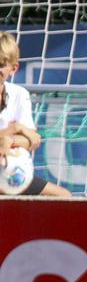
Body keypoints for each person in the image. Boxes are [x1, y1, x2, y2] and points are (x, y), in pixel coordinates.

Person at [0, 32, 70, 197]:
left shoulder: (19, 94)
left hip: (11, 170)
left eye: (1, 64)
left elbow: (32, 140)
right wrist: (15, 129)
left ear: (13, 68)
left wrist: (10, 140)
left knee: (64, 197)